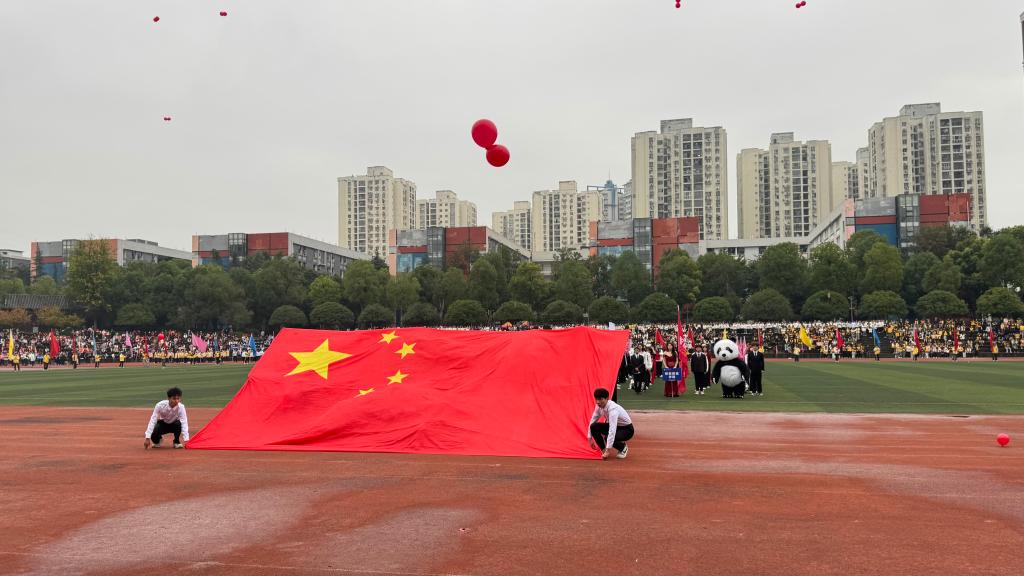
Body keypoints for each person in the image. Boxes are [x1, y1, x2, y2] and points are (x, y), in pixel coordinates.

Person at [587, 388, 634, 460]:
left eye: (600, 399)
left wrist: (608, 451)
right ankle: (603, 450)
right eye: (596, 399)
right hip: (616, 427)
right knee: (594, 426)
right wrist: (589, 438)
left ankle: (623, 447)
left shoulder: (613, 409)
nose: (598, 402)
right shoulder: (598, 406)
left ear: (607, 399)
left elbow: (612, 429)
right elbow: (593, 420)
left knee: (607, 437)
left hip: (627, 430)